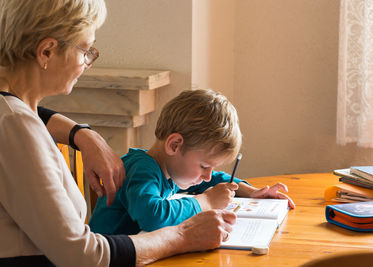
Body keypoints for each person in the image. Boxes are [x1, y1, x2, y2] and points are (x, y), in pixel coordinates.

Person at [0, 1, 237, 266]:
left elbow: (28, 114)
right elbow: (83, 255)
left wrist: (82, 134)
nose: (88, 62)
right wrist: (183, 236)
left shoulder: (17, 113)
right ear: (46, 52)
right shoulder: (14, 125)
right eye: (85, 50)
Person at [89, 89, 295, 235]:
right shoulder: (142, 170)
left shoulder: (167, 168)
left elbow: (212, 180)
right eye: (204, 166)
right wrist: (206, 202)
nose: (207, 174)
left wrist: (250, 191)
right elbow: (152, 217)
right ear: (175, 145)